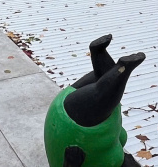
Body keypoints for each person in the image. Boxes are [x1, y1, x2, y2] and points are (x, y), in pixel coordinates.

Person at [44, 34, 145, 167]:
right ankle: (102, 55)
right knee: (103, 84)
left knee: (102, 93)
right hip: (79, 124)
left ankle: (119, 67)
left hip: (75, 129)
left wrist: (71, 162)